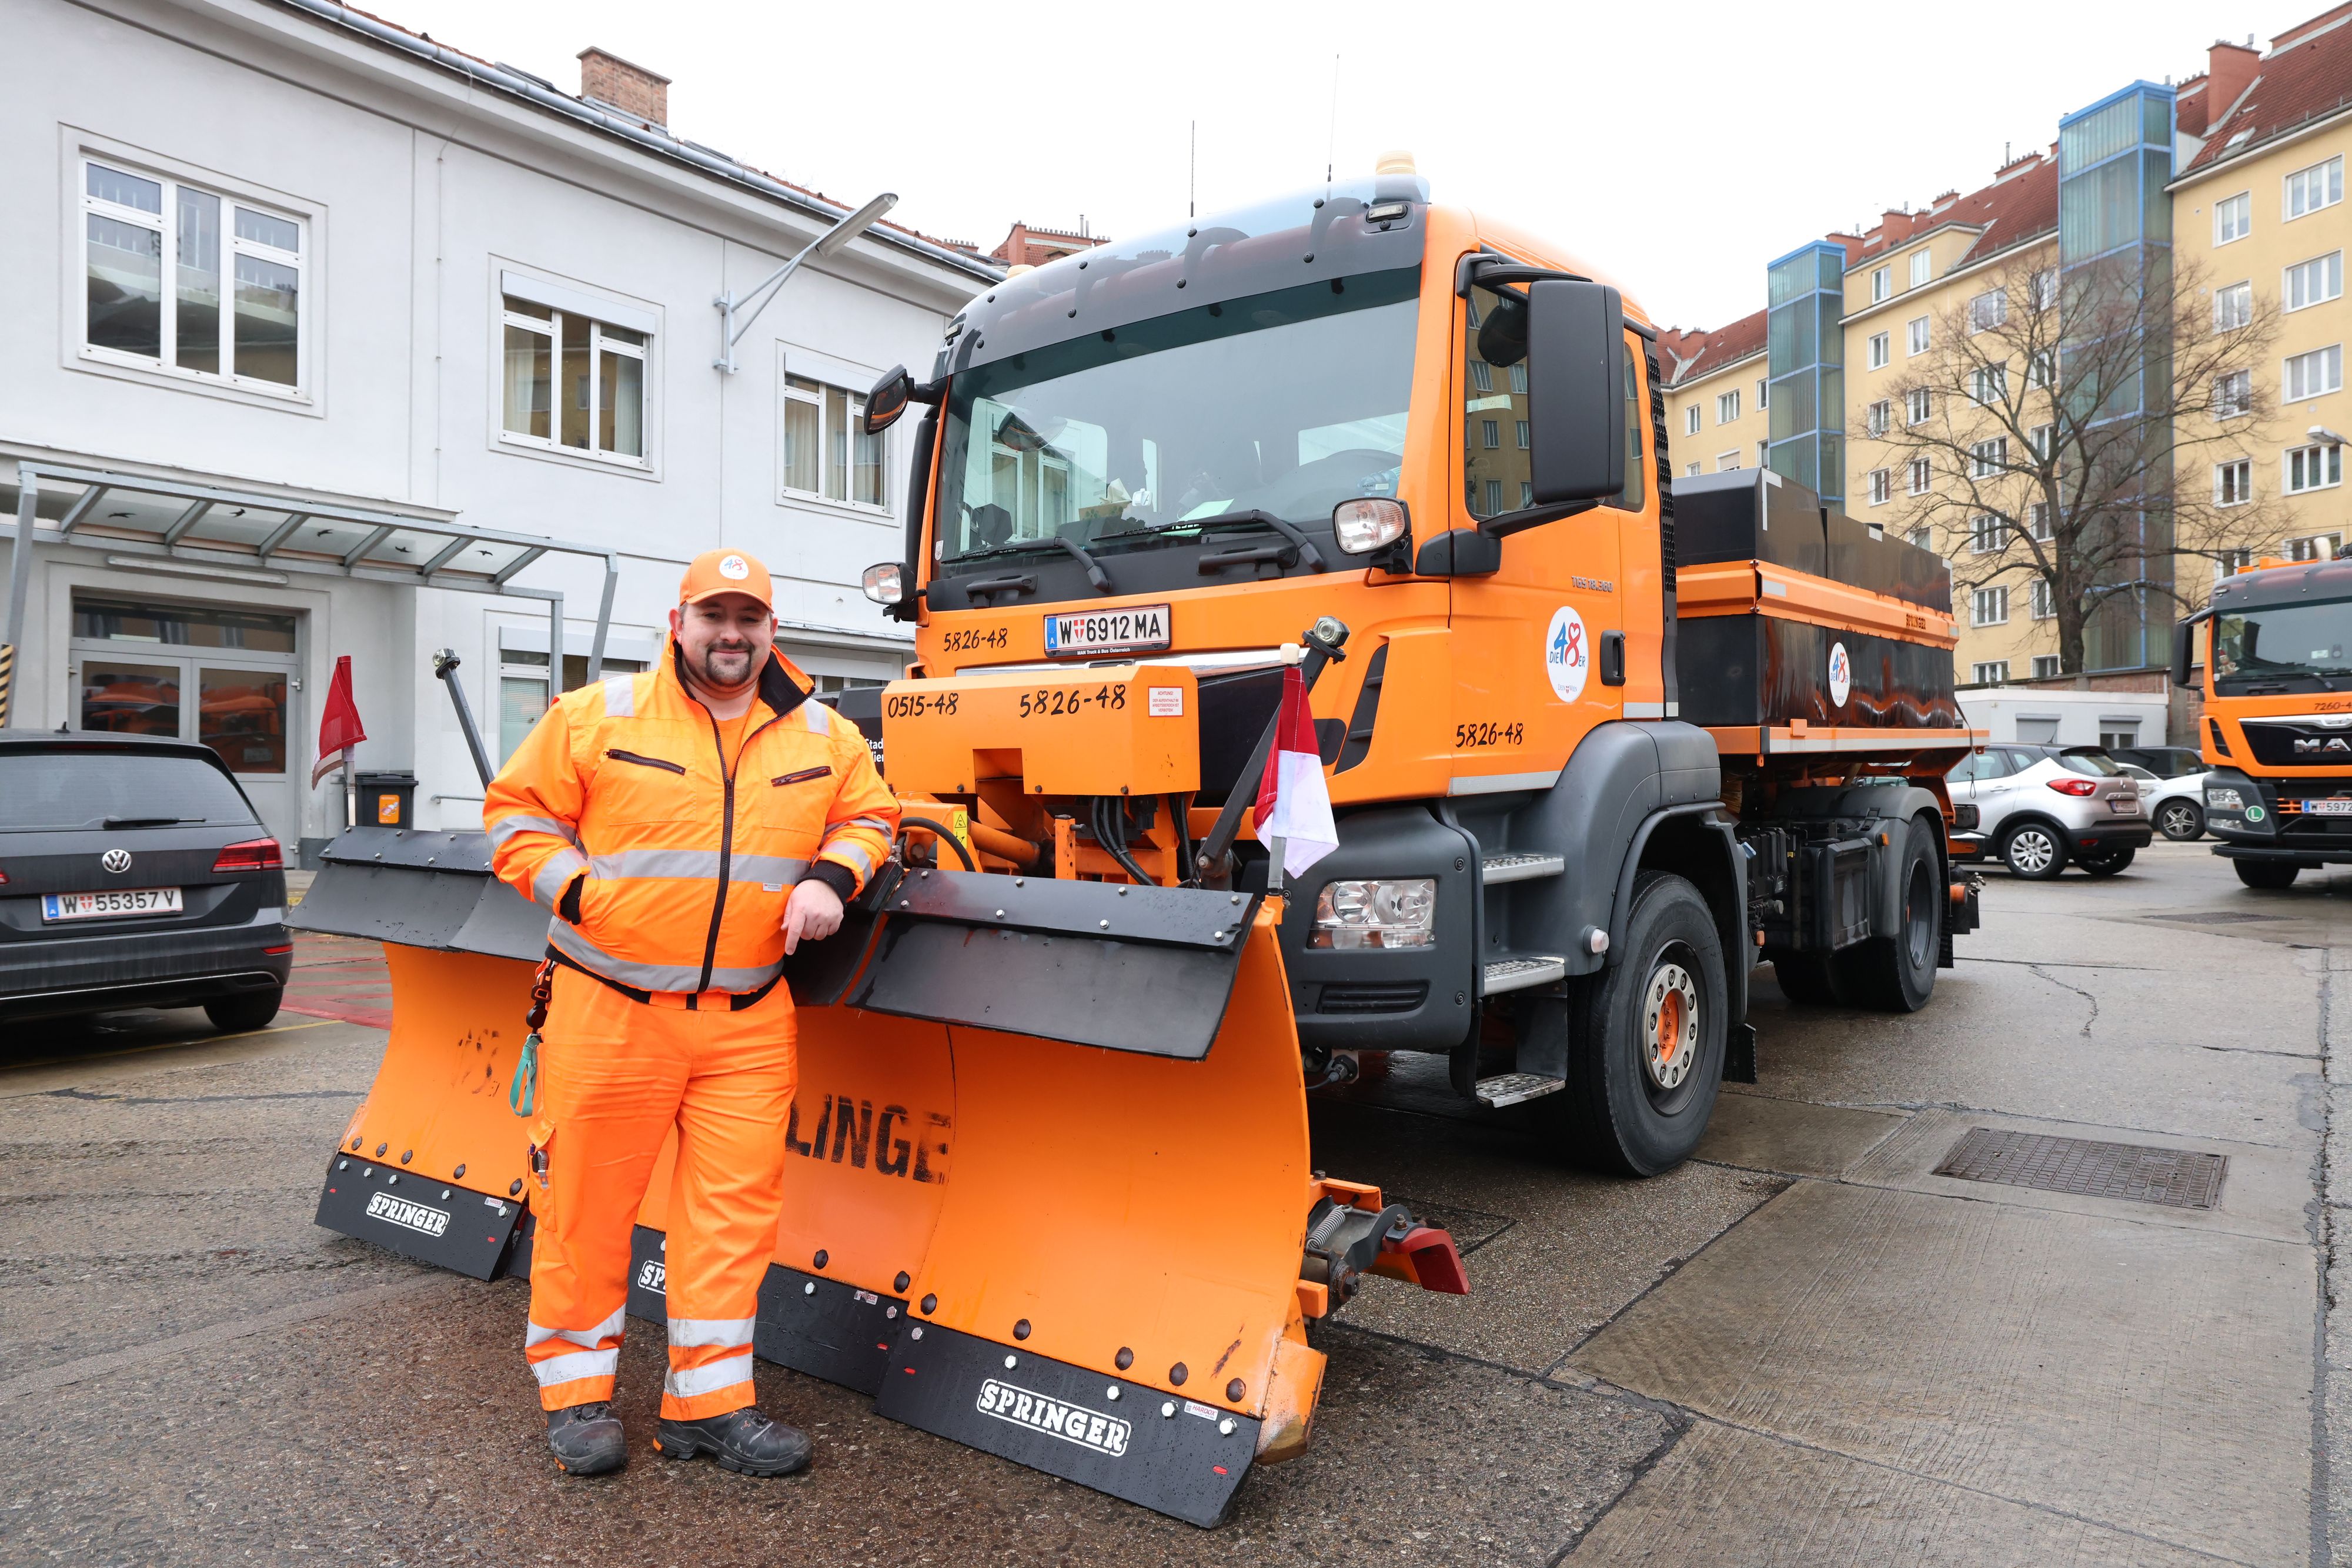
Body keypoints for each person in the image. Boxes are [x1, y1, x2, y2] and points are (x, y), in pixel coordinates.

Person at [484, 547, 898, 1478]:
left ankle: (708, 1407)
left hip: (748, 1018)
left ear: (770, 632)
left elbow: (871, 817)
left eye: (748, 619)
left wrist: (837, 877)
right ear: (679, 625)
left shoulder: (823, 736)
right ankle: (577, 1398)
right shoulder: (597, 715)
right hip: (610, 1009)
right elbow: (515, 816)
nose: (731, 635)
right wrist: (580, 894)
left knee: (732, 1219)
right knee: (587, 1207)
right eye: (714, 617)